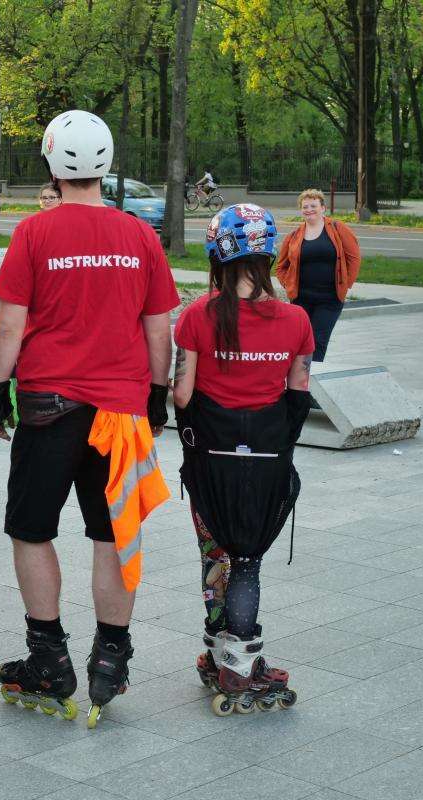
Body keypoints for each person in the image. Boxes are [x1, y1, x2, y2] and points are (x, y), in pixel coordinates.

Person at [0, 110, 178, 729]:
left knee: (32, 529)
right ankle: (111, 658)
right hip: (120, 413)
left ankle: (48, 656)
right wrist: (157, 391)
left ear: (50, 163)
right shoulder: (140, 237)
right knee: (113, 532)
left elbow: (10, 324)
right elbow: (159, 327)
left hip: (48, 407)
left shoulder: (35, 234)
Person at [172, 203, 313, 716]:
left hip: (211, 460)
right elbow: (299, 391)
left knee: (216, 555)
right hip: (267, 461)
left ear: (216, 255)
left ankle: (219, 649)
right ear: (269, 255)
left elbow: (182, 397)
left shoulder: (194, 318)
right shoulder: (296, 319)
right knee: (248, 560)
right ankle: (239, 662)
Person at [275, 189, 360, 363]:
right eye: (305, 206)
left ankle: (310, 381)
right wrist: (289, 284)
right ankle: (297, 383)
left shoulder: (338, 229)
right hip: (301, 300)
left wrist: (345, 284)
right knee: (300, 342)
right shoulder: (294, 236)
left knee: (318, 342)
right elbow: (281, 266)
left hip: (330, 299)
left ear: (323, 208)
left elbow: (354, 258)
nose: (309, 209)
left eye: (313, 205)